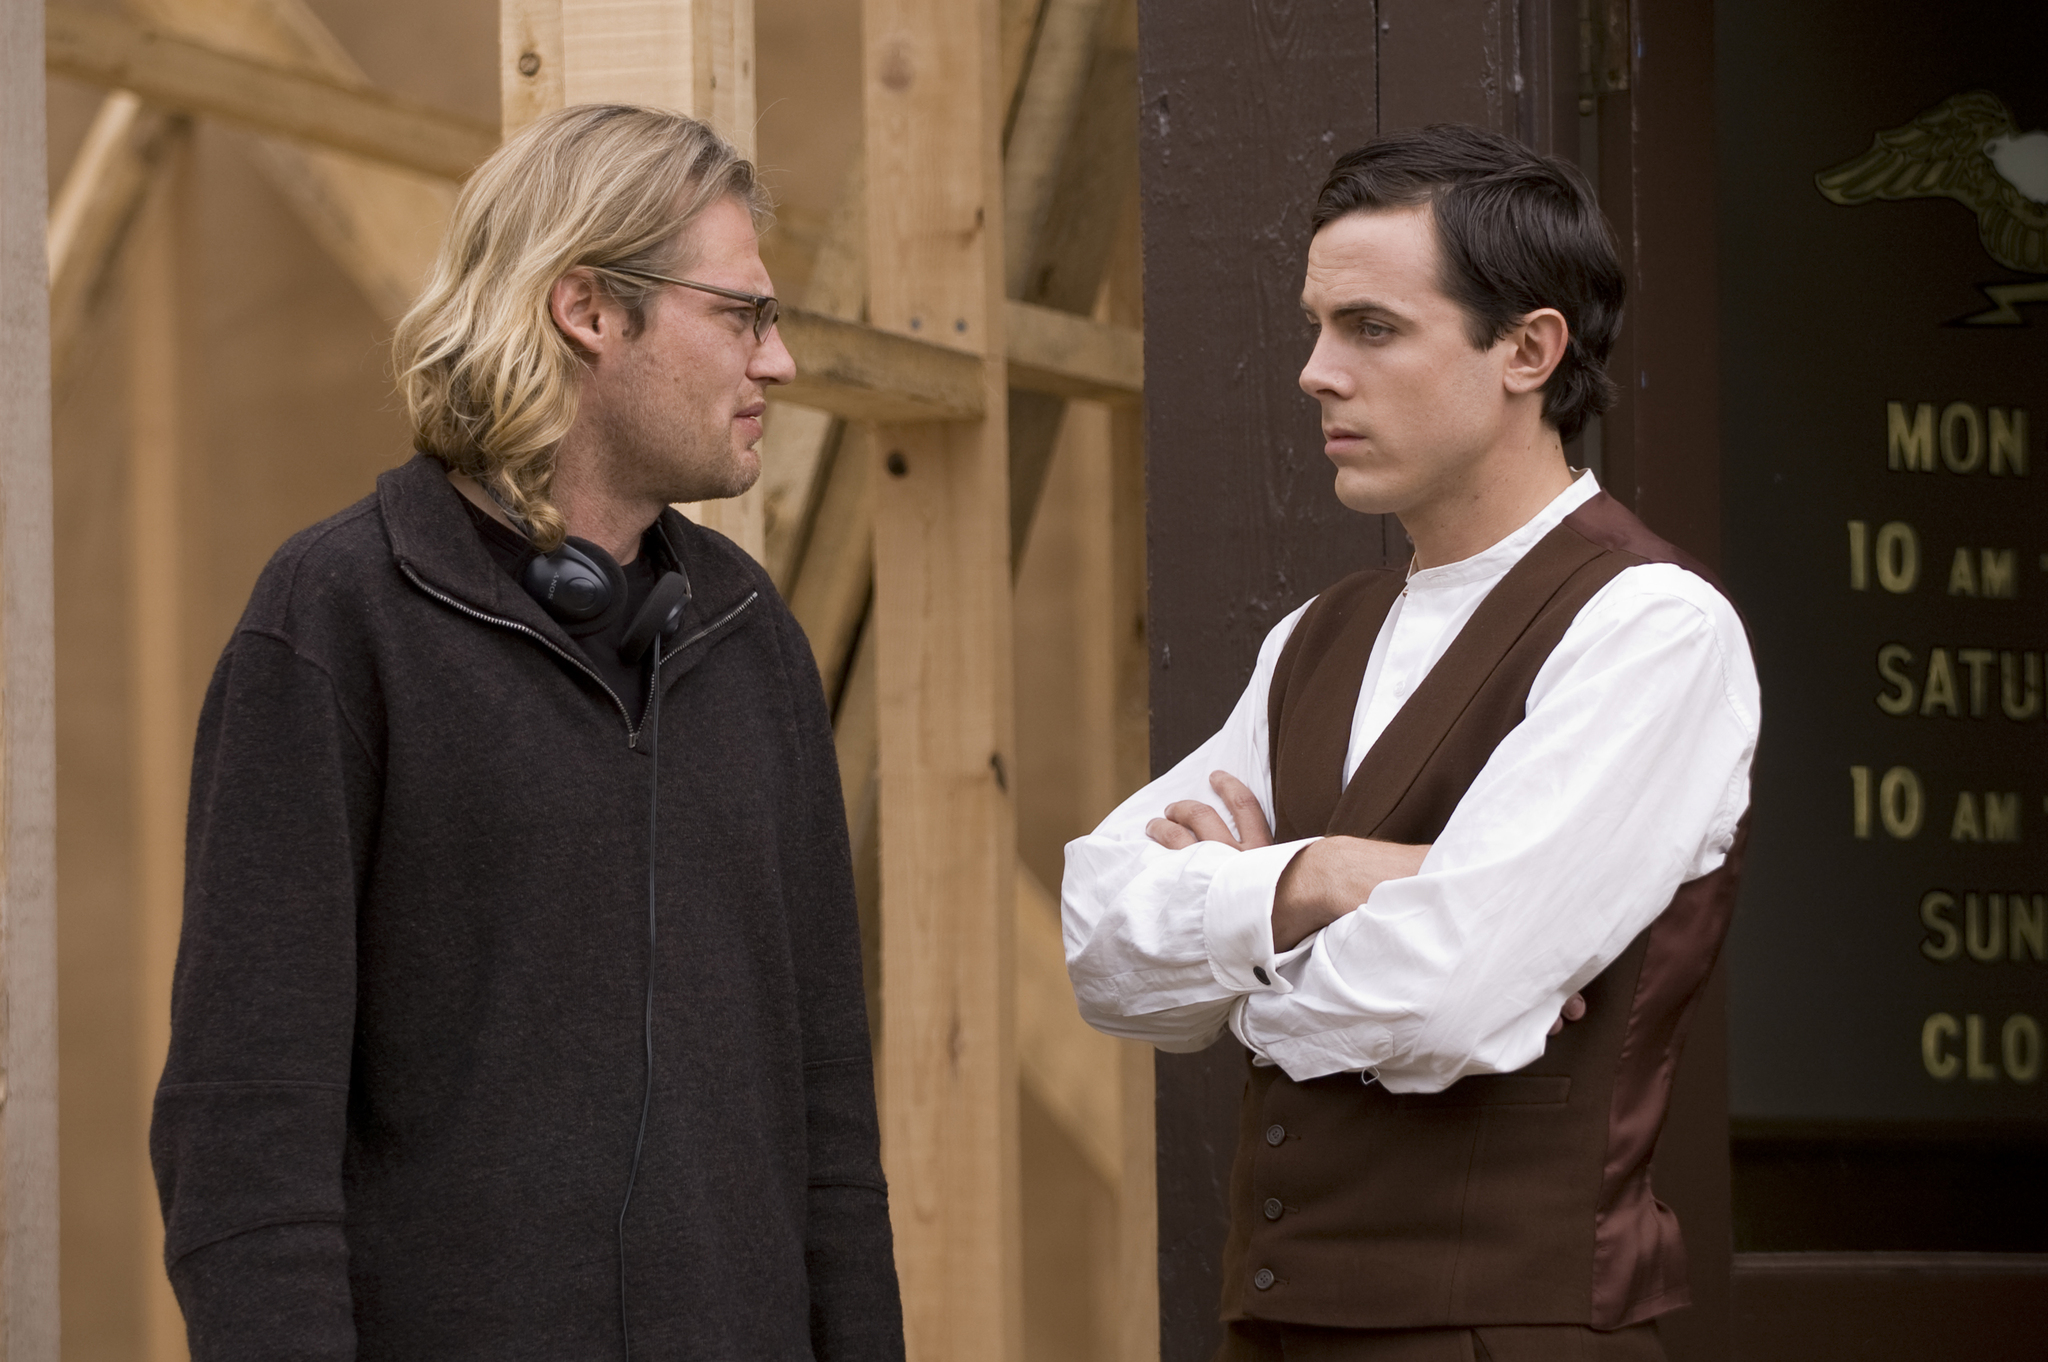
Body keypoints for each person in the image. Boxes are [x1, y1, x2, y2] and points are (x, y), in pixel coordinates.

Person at [151, 105, 904, 1362]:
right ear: (589, 311)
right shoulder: (337, 620)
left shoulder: (748, 637)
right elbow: (244, 1132)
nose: (775, 363)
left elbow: (828, 1128)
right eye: (741, 315)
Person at [1062, 125, 1759, 1361]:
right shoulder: (1315, 638)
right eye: (1317, 326)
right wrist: (1317, 877)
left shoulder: (1650, 626)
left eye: (1372, 329)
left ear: (1528, 350)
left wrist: (1226, 944)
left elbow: (1445, 992)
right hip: (1275, 1330)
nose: (1316, 373)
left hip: (1511, 1335)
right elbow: (1104, 949)